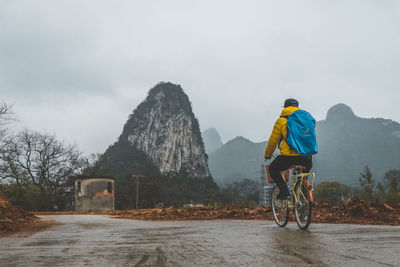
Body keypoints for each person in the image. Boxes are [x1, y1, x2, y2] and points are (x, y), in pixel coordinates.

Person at [264, 98, 313, 199]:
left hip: (288, 157)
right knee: (304, 173)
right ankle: (303, 192)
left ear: (285, 107)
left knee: (273, 169)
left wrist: (267, 155)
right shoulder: (306, 119)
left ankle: (284, 190)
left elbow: (273, 141)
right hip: (306, 157)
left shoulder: (282, 120)